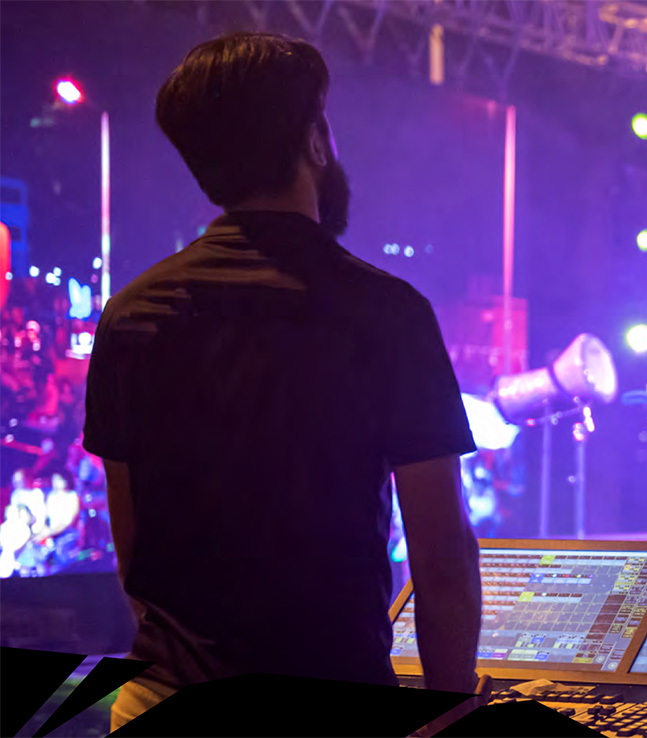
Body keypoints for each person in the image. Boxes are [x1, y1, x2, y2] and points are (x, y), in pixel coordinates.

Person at [84, 32, 483, 731]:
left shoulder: (132, 315)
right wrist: (448, 705)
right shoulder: (386, 313)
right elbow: (441, 552)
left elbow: (133, 553)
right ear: (316, 141)